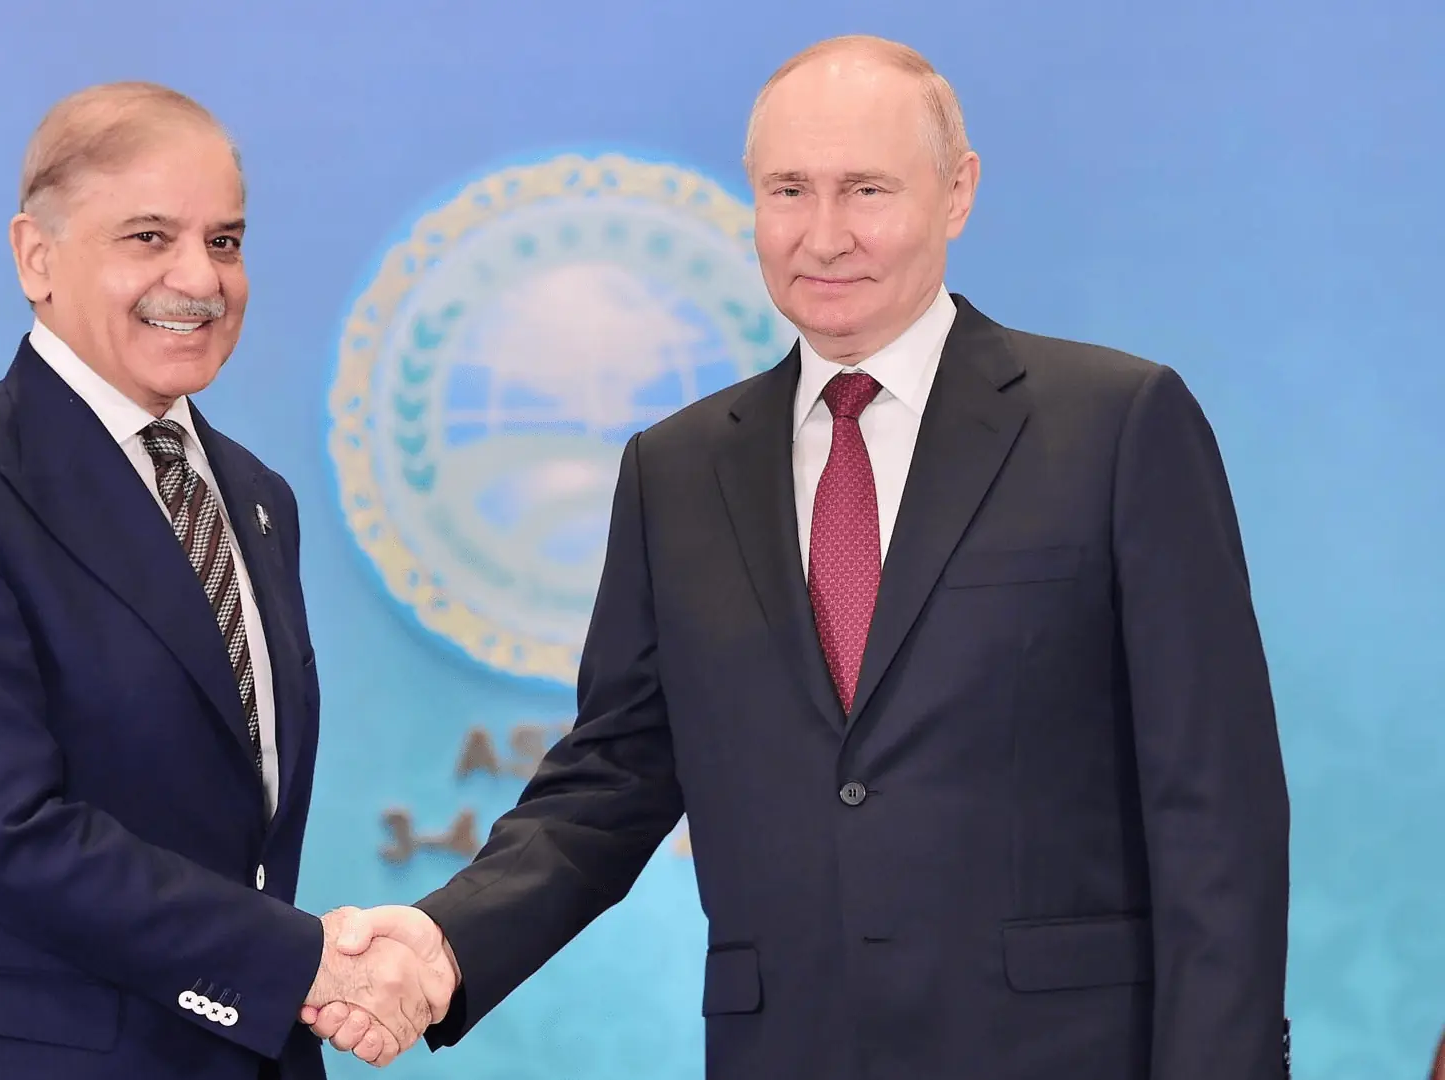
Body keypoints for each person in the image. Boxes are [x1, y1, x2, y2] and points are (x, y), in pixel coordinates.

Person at [305, 35, 1292, 1079]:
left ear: (958, 194)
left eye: (867, 189)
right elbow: (612, 777)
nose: (824, 236)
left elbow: (1215, 811)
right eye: (788, 191)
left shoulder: (1116, 426)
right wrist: (447, 943)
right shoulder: (675, 471)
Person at [0, 82, 448, 1080]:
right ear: (37, 257)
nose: (198, 277)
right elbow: (5, 833)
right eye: (150, 238)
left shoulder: (256, 499)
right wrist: (303, 963)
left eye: (227, 241)